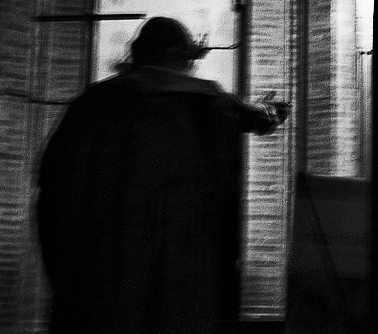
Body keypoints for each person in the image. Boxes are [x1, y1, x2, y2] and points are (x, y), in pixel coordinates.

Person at [36, 17, 289, 334]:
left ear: (139, 52)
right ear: (176, 54)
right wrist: (269, 113)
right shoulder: (212, 105)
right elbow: (257, 119)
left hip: (101, 293)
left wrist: (67, 281)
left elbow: (54, 198)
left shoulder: (92, 104)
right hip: (186, 292)